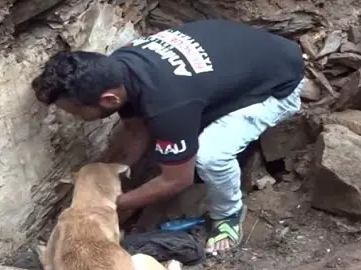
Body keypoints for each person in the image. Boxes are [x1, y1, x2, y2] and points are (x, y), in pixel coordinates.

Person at [30, 19, 305, 255]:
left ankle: (228, 214)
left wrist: (111, 206)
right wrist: (120, 177)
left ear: (109, 99)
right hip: (246, 55)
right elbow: (136, 130)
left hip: (280, 83)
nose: (74, 118)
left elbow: (177, 180)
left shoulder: (168, 104)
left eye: (76, 112)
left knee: (209, 157)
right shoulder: (118, 66)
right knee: (177, 142)